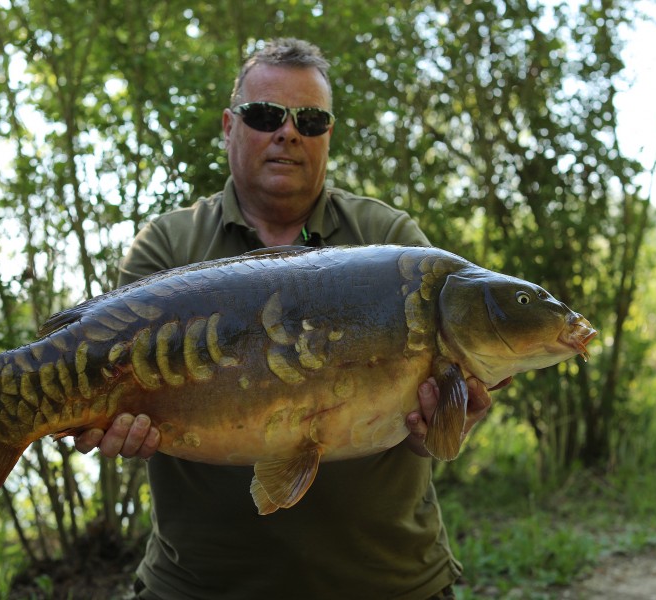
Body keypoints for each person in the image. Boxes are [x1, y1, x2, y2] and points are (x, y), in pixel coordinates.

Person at [75, 38, 492, 600]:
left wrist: (445, 424)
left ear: (327, 136)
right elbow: (103, 386)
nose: (288, 133)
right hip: (200, 586)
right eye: (266, 115)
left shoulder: (393, 243)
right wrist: (102, 420)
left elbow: (429, 435)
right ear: (229, 126)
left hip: (389, 582)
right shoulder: (169, 247)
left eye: (310, 120)